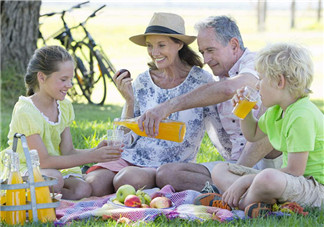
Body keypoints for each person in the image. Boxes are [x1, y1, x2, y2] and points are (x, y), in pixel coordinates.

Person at [138, 15, 282, 192]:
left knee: (272, 112)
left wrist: (167, 106)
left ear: (234, 45)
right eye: (202, 52)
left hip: (272, 163)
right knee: (167, 174)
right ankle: (235, 190)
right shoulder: (218, 80)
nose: (205, 59)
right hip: (236, 164)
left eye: (210, 50)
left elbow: (230, 89)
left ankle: (239, 185)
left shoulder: (257, 63)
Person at [84, 12, 220, 196]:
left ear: (179, 44)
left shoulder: (201, 81)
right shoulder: (143, 81)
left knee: (125, 180)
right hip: (131, 156)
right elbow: (126, 137)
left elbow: (217, 129)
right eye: (150, 46)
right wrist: (129, 101)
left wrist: (238, 163)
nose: (154, 52)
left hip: (167, 165)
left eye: (161, 45)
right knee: (93, 184)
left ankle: (157, 188)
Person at [204, 43, 324, 215]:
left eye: (261, 79)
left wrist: (246, 180)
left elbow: (295, 171)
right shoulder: (276, 110)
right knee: (221, 170)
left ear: (279, 82)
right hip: (290, 183)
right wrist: (244, 112)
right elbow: (252, 135)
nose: (258, 85)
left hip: (314, 187)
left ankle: (236, 203)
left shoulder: (301, 115)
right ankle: (255, 203)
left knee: (267, 177)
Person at [0, 46, 122, 200]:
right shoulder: (25, 110)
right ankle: (20, 195)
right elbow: (43, 161)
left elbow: (68, 152)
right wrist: (91, 156)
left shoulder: (64, 106)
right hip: (25, 168)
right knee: (54, 180)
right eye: (63, 79)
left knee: (83, 189)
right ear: (42, 77)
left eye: (70, 79)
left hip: (53, 169)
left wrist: (96, 152)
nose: (69, 85)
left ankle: (49, 200)